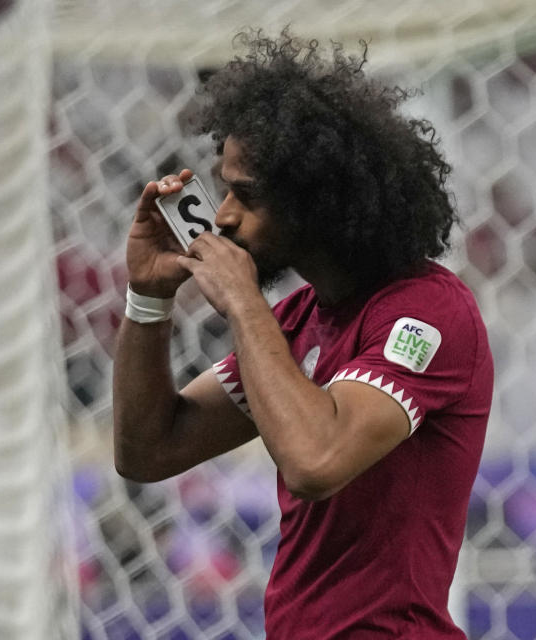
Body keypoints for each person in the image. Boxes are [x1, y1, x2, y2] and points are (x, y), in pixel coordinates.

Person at [112, 29, 493, 639]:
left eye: (248, 195)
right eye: (225, 187)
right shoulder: (294, 321)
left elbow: (317, 461)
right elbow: (147, 451)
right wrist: (149, 299)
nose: (225, 214)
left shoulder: (429, 312)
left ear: (320, 202)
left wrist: (242, 301)